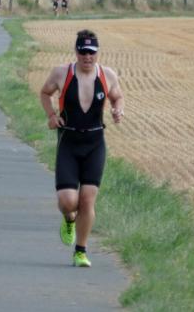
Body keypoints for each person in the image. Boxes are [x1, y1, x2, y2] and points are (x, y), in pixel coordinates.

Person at [38, 29, 124, 268]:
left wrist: (118, 110)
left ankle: (81, 251)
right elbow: (45, 93)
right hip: (69, 142)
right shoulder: (61, 73)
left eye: (92, 52)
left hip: (95, 144)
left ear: (97, 53)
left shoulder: (107, 75)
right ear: (76, 51)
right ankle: (69, 219)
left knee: (87, 199)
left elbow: (118, 96)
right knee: (69, 202)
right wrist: (51, 115)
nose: (88, 57)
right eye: (83, 52)